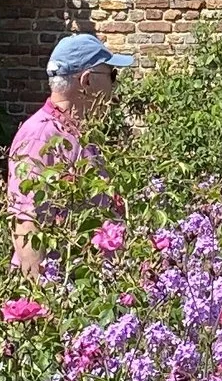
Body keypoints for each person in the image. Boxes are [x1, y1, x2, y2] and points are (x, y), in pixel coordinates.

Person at [8, 30, 134, 236]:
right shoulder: (41, 136)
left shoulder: (77, 132)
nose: (115, 86)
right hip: (60, 267)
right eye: (112, 75)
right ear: (86, 81)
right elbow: (27, 222)